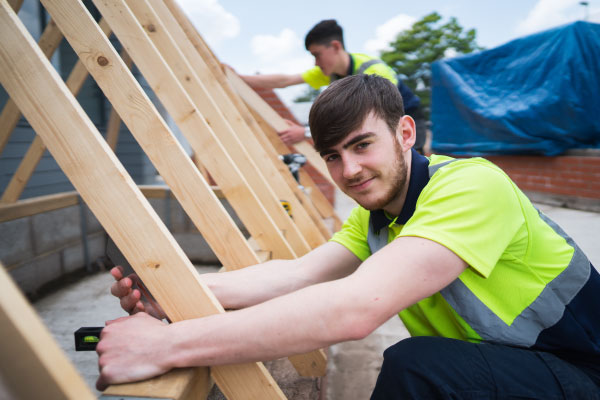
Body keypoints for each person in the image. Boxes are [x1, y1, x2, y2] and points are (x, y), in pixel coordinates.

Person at [98, 75, 600, 398]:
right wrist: (173, 297)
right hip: (517, 369)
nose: (349, 170)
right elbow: (295, 275)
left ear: (405, 134)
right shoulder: (378, 214)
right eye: (333, 155)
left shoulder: (471, 186)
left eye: (362, 146)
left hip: (580, 372)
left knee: (417, 369)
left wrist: (168, 347)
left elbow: (354, 309)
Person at [241, 19, 427, 153]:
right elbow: (285, 81)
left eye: (317, 54)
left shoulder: (372, 71)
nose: (315, 63)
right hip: (378, 124)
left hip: (405, 120)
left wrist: (304, 132)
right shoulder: (330, 72)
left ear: (336, 46)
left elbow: (370, 119)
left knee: (407, 165)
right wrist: (239, 78)